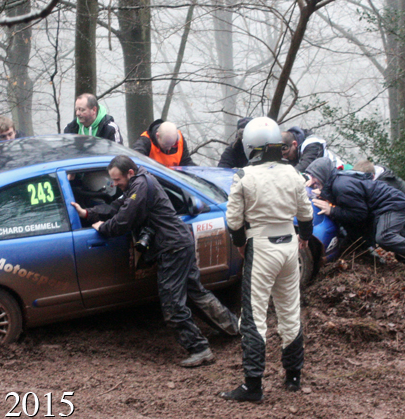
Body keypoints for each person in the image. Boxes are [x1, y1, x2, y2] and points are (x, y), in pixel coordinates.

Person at [71, 155, 238, 367]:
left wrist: (102, 228)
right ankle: (233, 328)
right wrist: (88, 213)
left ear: (129, 173)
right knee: (195, 292)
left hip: (172, 247)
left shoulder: (140, 186)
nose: (113, 184)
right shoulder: (138, 182)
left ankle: (200, 349)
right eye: (111, 180)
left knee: (172, 303)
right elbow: (117, 206)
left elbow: (123, 220)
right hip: (179, 242)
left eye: (116, 180)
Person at [219, 117, 314, 402]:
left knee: (254, 317)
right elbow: (306, 213)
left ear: (250, 145)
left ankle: (253, 385)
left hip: (260, 246)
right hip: (289, 245)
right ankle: (293, 376)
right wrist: (304, 237)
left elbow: (234, 220)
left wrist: (239, 244)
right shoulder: (293, 173)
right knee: (289, 310)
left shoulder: (245, 176)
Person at [305, 157, 405, 271]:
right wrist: (322, 194)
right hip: (398, 202)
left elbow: (359, 214)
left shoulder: (341, 185)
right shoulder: (336, 182)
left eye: (314, 176)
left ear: (323, 174)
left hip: (391, 205)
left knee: (385, 237)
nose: (312, 180)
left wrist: (332, 210)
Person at [132, 120, 196, 167]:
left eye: (173, 144)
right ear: (157, 136)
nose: (169, 148)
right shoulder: (145, 141)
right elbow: (135, 160)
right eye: (166, 145)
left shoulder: (180, 139)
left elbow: (186, 162)